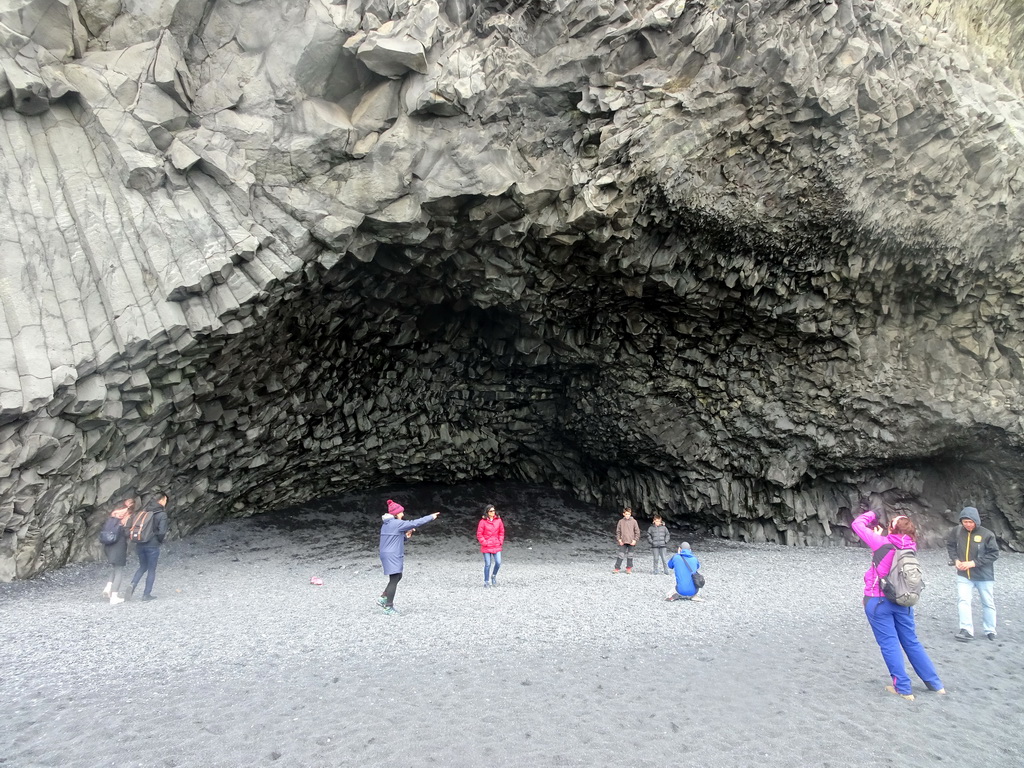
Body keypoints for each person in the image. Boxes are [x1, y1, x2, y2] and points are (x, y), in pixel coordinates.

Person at [852, 509, 945, 700]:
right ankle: (935, 684)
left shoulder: (881, 543)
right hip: (904, 600)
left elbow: (857, 525)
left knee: (889, 643)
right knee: (911, 641)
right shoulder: (911, 546)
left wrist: (872, 514)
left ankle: (903, 688)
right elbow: (891, 558)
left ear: (891, 529)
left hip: (878, 600)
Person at [946, 506, 999, 642]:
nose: (968, 524)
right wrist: (955, 560)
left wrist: (973, 563)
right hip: (964, 575)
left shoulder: (987, 534)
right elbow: (950, 545)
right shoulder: (957, 531)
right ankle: (966, 630)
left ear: (976, 521)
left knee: (987, 602)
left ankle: (990, 630)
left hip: (984, 575)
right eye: (965, 522)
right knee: (963, 601)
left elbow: (994, 554)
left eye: (970, 522)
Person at [378, 499, 440, 614]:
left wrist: (407, 535)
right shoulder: (397, 523)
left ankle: (383, 598)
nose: (403, 514)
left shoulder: (387, 524)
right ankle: (388, 606)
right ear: (396, 514)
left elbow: (395, 538)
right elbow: (415, 522)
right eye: (401, 512)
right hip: (393, 554)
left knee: (397, 576)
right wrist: (430, 517)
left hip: (387, 553)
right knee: (394, 578)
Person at [126, 492, 170, 602]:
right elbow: (162, 532)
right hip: (152, 545)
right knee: (151, 569)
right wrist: (159, 541)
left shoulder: (144, 512)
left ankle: (132, 585)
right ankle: (146, 594)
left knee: (142, 567)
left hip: (140, 544)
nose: (166, 502)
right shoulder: (162, 514)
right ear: (161, 500)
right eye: (165, 500)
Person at [101, 498, 135, 605]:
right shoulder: (128, 517)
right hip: (119, 546)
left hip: (108, 545)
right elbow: (125, 534)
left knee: (115, 568)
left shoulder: (114, 514)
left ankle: (108, 588)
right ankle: (114, 597)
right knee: (119, 570)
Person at [476, 504, 505, 587]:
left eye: (494, 510)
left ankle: (493, 576)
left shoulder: (498, 520)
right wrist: (484, 543)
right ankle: (486, 581)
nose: (493, 512)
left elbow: (501, 532)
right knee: (487, 564)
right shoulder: (482, 522)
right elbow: (479, 534)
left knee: (498, 562)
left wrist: (500, 541)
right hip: (487, 546)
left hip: (496, 545)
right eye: (491, 511)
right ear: (487, 512)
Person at [613, 507, 640, 574]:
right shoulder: (621, 522)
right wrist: (619, 540)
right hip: (623, 541)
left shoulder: (634, 521)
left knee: (630, 555)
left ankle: (628, 568)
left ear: (630, 514)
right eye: (626, 514)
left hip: (631, 542)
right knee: (621, 555)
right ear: (623, 514)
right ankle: (617, 568)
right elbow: (618, 531)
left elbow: (637, 532)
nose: (628, 515)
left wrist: (635, 540)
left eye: (629, 514)